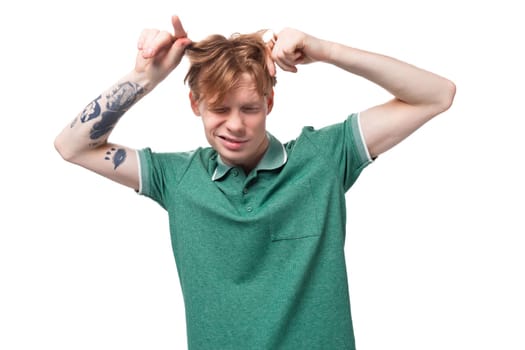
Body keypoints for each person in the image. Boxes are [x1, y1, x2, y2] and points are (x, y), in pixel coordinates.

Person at [54, 15, 455, 350]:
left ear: (269, 104)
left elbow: (436, 95)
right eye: (219, 109)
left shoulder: (324, 157)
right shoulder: (176, 178)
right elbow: (72, 146)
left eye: (249, 108)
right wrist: (145, 77)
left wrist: (324, 50)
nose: (235, 124)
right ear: (196, 105)